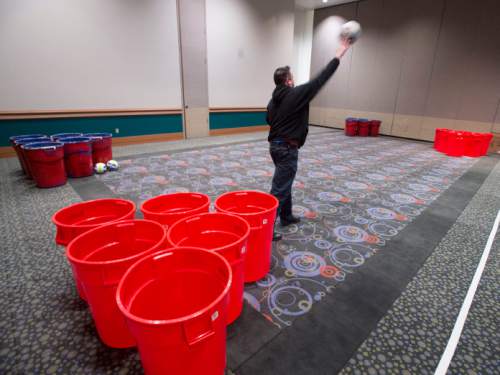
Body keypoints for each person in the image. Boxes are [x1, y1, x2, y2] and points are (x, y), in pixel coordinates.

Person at [266, 37, 352, 241]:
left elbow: (268, 119)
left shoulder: (272, 100)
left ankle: (286, 216)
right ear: (288, 81)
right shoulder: (295, 94)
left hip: (274, 147)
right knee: (280, 188)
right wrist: (338, 55)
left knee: (284, 181)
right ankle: (267, 228)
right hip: (286, 149)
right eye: (292, 77)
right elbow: (320, 79)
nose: (294, 80)